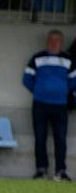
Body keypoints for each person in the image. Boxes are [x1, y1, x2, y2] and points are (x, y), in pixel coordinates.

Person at [23, 30, 76, 181]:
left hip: (60, 105)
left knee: (61, 138)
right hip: (40, 104)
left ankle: (60, 171)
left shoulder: (68, 59)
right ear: (47, 41)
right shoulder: (37, 57)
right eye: (51, 40)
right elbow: (27, 78)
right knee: (40, 137)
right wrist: (39, 91)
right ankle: (41, 170)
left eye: (57, 40)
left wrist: (63, 91)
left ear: (62, 42)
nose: (54, 43)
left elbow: (74, 80)